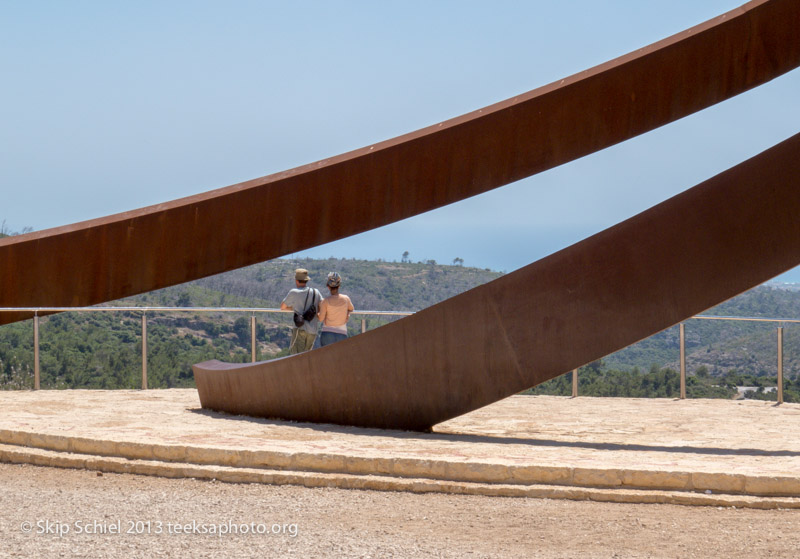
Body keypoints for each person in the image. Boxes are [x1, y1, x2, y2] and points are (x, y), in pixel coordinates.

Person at [280, 268, 323, 354]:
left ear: (296, 281)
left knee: (296, 357)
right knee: (306, 357)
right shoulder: (316, 292)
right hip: (313, 331)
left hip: (300, 328)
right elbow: (322, 306)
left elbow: (283, 307)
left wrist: (293, 308)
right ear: (306, 280)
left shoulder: (294, 292)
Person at [317, 272, 354, 347]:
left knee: (327, 357)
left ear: (328, 286)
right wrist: (348, 314)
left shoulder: (325, 301)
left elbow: (320, 318)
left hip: (327, 333)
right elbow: (351, 308)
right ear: (339, 286)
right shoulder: (345, 299)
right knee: (341, 358)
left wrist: (317, 311)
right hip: (342, 333)